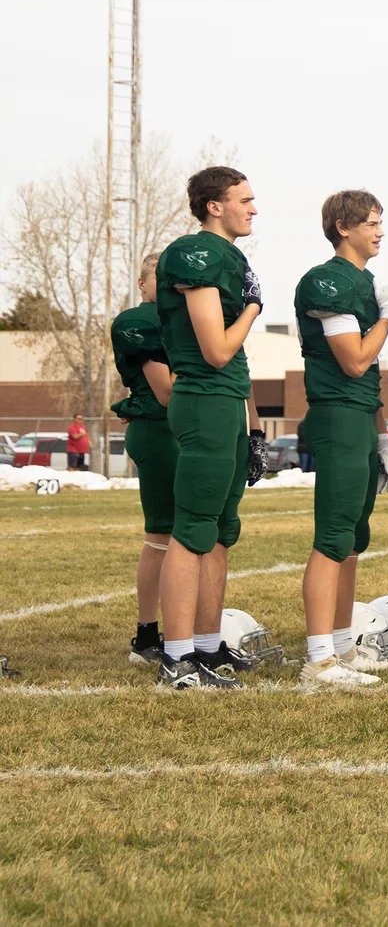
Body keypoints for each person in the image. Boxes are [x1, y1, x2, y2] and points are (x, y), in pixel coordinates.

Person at [153, 166, 266, 689]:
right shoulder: (194, 252)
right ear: (213, 205)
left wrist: (255, 426)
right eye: (243, 199)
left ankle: (206, 645)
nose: (253, 208)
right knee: (193, 526)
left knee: (220, 530)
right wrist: (253, 307)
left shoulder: (230, 256)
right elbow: (218, 349)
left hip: (226, 402)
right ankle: (175, 658)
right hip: (203, 397)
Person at [291, 191, 388, 690]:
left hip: (359, 416)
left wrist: (383, 435)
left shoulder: (364, 281)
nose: (379, 231)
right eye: (371, 223)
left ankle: (341, 646)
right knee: (333, 536)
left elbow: (369, 376)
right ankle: (318, 661)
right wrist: (386, 319)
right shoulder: (327, 280)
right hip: (335, 415)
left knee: (354, 538)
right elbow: (354, 360)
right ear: (343, 227)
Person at [111, 252, 177, 667]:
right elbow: (166, 392)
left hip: (180, 429)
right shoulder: (140, 321)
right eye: (160, 280)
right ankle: (147, 634)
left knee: (183, 537)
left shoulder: (177, 321)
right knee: (162, 536)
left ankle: (180, 629)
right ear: (142, 283)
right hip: (157, 428)